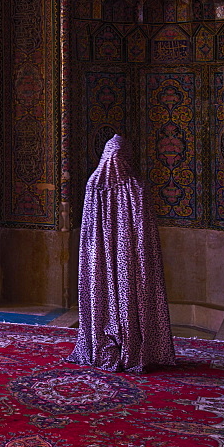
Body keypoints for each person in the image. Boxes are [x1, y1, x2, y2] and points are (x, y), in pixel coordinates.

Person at [68, 134, 176, 372]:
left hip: (98, 261)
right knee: (131, 297)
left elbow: (88, 233)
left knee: (101, 296)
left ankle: (102, 345)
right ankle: (134, 349)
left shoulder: (93, 184)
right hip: (130, 261)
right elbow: (146, 236)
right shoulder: (136, 188)